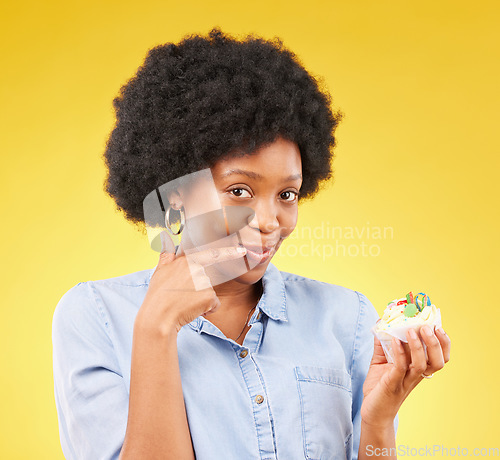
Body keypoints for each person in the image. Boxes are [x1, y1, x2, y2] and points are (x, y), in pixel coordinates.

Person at [52, 27, 451, 460]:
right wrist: (156, 330)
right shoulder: (96, 317)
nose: (268, 222)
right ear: (176, 195)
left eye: (287, 195)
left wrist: (377, 422)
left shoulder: (347, 319)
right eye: (240, 190)